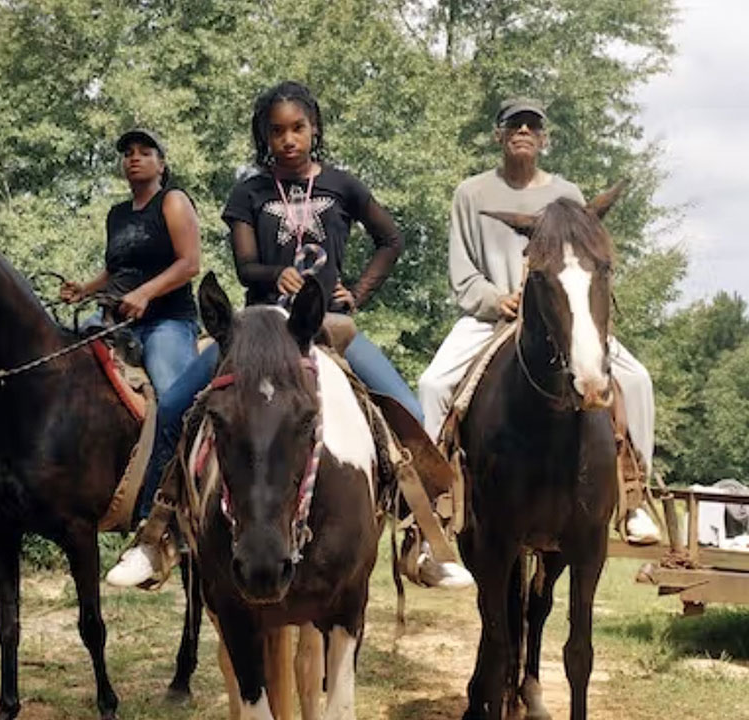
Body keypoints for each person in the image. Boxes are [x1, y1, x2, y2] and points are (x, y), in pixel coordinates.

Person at [106, 81, 473, 588]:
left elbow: (391, 239)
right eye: (277, 131)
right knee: (173, 408)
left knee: (404, 407)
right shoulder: (249, 192)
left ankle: (421, 538)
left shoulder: (343, 185)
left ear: (314, 129)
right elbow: (243, 266)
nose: (288, 139)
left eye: (297, 128)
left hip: (328, 326)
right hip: (257, 331)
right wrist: (271, 274)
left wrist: (358, 292)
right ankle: (156, 536)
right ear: (265, 136)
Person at [417, 97, 660, 545]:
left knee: (638, 381)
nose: (523, 131)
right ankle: (434, 503)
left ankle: (634, 496)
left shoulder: (567, 195)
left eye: (532, 125)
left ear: (544, 138)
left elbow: (582, 262)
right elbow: (462, 271)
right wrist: (495, 299)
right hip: (493, 317)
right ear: (499, 135)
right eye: (514, 125)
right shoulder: (470, 193)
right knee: (433, 384)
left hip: (562, 319)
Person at [60, 128, 200, 397]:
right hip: (112, 320)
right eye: (128, 154)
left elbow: (190, 264)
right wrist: (85, 290)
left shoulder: (172, 200)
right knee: (61, 360)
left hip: (166, 321)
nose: (134, 158)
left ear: (161, 165)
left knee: (172, 395)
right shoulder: (117, 214)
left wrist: (145, 293)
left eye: (145, 153)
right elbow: (116, 269)